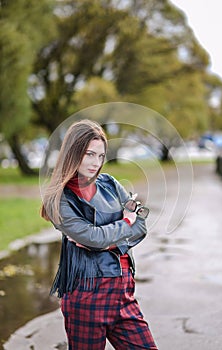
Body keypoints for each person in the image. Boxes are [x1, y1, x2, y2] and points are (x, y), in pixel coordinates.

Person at [41, 119, 158, 350]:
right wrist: (125, 221)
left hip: (124, 291)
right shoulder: (59, 199)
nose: (96, 163)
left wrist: (107, 242)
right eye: (89, 154)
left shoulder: (110, 184)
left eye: (101, 156)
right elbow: (95, 238)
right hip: (86, 296)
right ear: (73, 154)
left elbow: (141, 225)